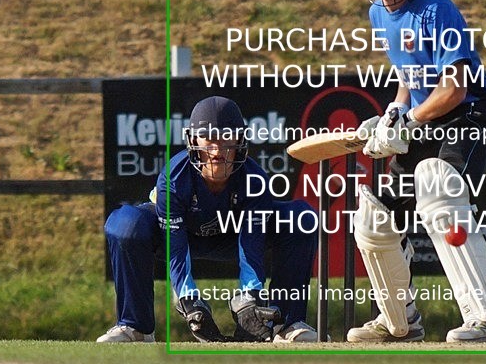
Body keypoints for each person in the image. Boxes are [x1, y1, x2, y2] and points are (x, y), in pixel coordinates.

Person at [347, 0, 486, 343]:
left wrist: (410, 121)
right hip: (428, 114)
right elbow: (410, 77)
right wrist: (394, 112)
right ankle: (399, 322)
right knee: (373, 216)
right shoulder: (378, 14)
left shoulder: (436, 9)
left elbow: (454, 87)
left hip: (473, 114)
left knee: (438, 188)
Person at [98, 96, 320, 343]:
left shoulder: (255, 179)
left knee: (302, 217)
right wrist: (190, 301)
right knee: (125, 224)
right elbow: (176, 247)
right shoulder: (174, 178)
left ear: (240, 140)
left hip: (232, 237)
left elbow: (252, 244)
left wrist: (250, 298)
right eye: (209, 140)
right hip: (179, 235)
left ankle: (286, 325)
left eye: (227, 140)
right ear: (193, 140)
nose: (217, 152)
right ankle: (135, 327)